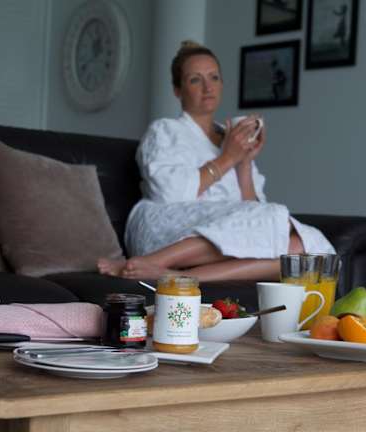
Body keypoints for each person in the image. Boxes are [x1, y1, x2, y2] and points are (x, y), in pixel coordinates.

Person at [98, 41, 334, 282]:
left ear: (222, 84)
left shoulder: (231, 138)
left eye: (214, 77)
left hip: (230, 233)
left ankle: (181, 278)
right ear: (177, 90)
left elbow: (257, 216)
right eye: (195, 80)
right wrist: (228, 158)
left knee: (312, 250)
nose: (207, 87)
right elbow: (169, 194)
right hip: (168, 226)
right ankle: (153, 261)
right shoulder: (164, 130)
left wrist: (244, 161)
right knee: (272, 217)